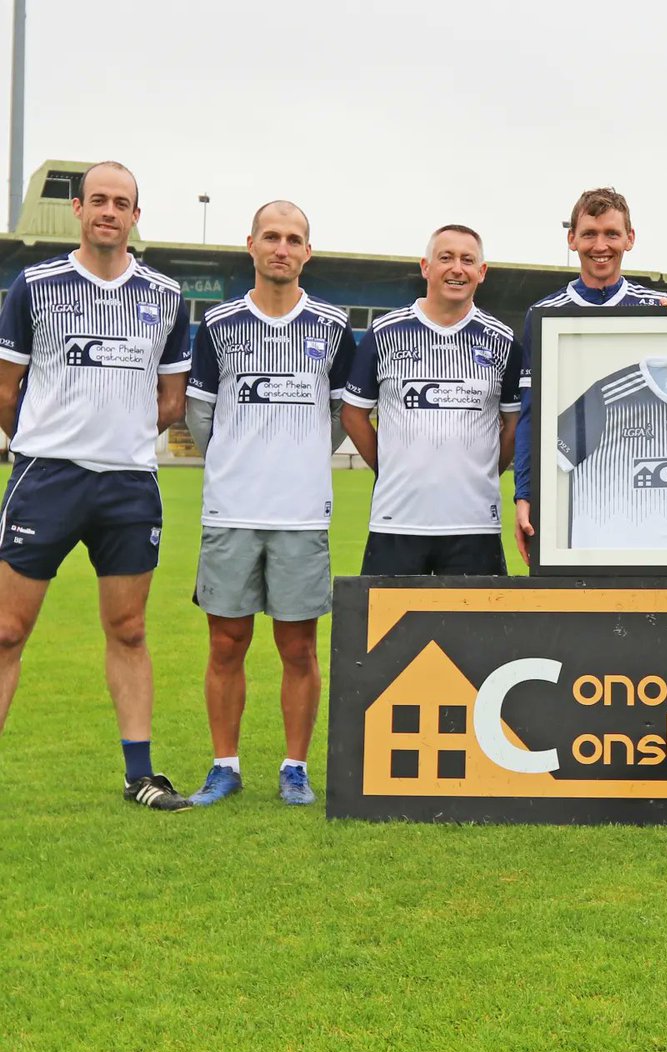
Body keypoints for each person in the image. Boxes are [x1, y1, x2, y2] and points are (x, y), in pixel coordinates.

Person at [0, 161, 192, 811]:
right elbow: (5, 392)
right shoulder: (34, 286)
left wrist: (118, 436)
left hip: (129, 484)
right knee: (5, 630)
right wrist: (51, 437)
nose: (110, 211)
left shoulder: (166, 296)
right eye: (98, 200)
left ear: (136, 216)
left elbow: (171, 400)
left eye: (123, 202)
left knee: (131, 629)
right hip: (46, 477)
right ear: (78, 209)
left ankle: (141, 774)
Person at [185, 201, 355, 807]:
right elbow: (201, 416)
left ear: (308, 252)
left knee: (298, 648)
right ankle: (225, 765)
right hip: (231, 511)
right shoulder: (219, 325)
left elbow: (340, 416)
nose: (282, 248)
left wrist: (299, 456)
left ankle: (295, 768)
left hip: (302, 514)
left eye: (294, 239)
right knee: (226, 643)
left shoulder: (335, 327)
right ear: (250, 245)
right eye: (272, 237)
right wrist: (239, 460)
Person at [512, 187, 667, 563]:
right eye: (590, 233)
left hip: (648, 490)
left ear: (630, 238)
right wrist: (524, 493)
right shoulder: (543, 316)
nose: (600, 245)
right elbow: (532, 414)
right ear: (571, 238)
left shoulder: (658, 311)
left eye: (611, 234)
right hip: (572, 491)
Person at [341, 224, 519, 576]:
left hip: (475, 525)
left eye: (468, 260)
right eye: (446, 258)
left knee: (476, 633)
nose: (457, 268)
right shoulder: (385, 333)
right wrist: (390, 466)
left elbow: (514, 423)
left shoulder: (503, 340)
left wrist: (483, 473)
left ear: (481, 273)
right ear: (426, 266)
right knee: (390, 632)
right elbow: (353, 415)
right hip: (397, 522)